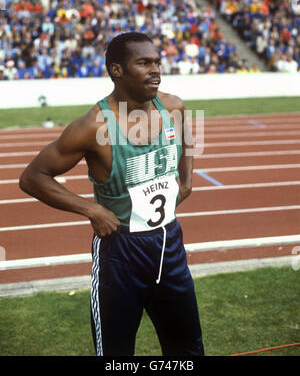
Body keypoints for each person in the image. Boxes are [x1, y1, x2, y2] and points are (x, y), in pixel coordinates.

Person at [19, 32, 204, 357]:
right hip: (120, 254)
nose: (155, 70)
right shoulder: (93, 127)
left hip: (169, 245)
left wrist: (186, 179)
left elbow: (189, 131)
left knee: (187, 350)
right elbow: (33, 176)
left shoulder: (173, 106)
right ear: (116, 70)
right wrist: (91, 210)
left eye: (157, 62)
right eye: (143, 63)